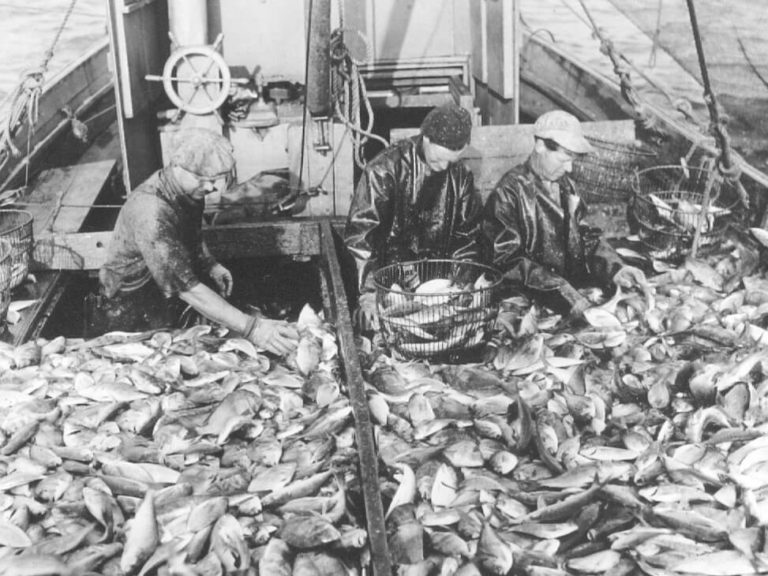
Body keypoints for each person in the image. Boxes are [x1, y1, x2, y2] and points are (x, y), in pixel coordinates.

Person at [90, 128, 299, 355]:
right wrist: (253, 329)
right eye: (203, 180)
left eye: (216, 180)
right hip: (127, 309)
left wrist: (210, 264)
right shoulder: (151, 211)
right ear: (176, 165)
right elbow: (186, 288)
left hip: (161, 292)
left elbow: (192, 233)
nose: (211, 188)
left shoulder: (189, 191)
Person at [483, 110, 648, 320]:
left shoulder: (566, 186)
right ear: (540, 145)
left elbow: (586, 236)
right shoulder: (508, 193)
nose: (569, 169)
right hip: (530, 304)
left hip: (574, 294)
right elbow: (506, 263)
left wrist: (615, 268)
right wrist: (563, 292)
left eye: (573, 160)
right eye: (564, 159)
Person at [344, 103, 485, 330]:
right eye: (438, 160)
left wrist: (462, 282)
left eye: (452, 161)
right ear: (426, 138)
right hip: (388, 281)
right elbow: (361, 237)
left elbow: (467, 238)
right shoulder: (383, 170)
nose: (444, 167)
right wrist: (369, 293)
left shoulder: (461, 176)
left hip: (437, 286)